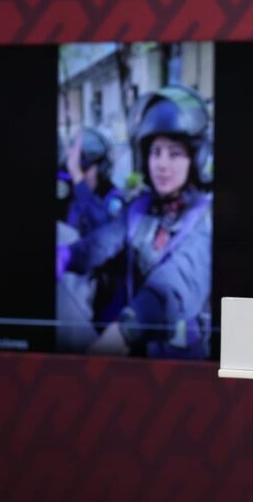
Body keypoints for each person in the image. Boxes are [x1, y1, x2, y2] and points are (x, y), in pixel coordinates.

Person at [57, 85, 213, 359]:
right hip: (134, 356)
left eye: (174, 153)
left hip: (180, 368)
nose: (162, 164)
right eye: (155, 152)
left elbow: (174, 286)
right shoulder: (139, 208)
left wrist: (126, 329)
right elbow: (101, 243)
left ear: (195, 159)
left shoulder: (205, 218)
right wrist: (68, 255)